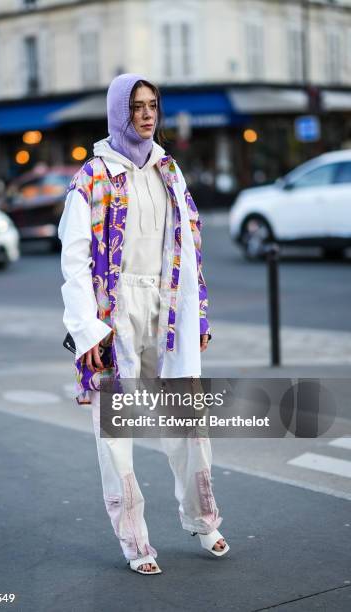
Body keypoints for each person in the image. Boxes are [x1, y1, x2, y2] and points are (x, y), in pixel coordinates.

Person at [58, 73, 229, 575]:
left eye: (153, 105)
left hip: (167, 304)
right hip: (114, 313)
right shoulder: (92, 176)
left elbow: (190, 249)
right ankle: (135, 540)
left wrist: (197, 313)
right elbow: (74, 259)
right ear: (118, 112)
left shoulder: (169, 170)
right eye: (136, 107)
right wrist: (87, 329)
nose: (147, 114)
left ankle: (204, 520)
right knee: (116, 434)